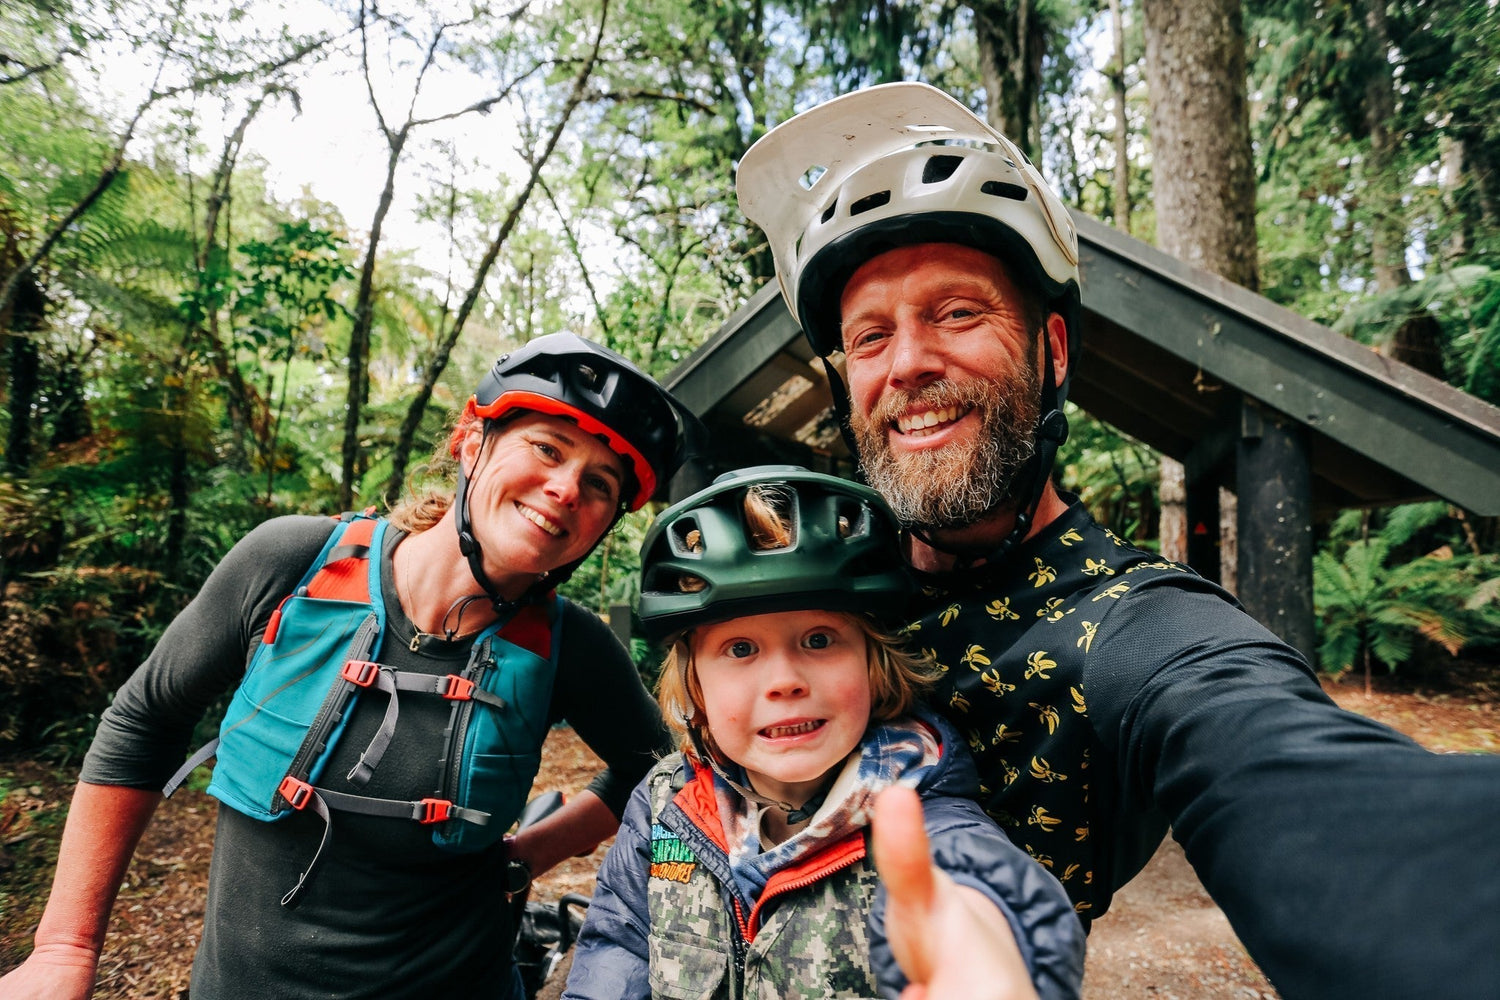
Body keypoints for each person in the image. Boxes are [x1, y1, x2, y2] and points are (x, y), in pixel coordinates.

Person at [734, 83, 1500, 999]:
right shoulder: (804, 588)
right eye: (869, 337)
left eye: (958, 312)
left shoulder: (1128, 624)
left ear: (1053, 351)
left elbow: (1275, 754)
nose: (907, 364)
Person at [0, 334, 696, 1000]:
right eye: (546, 448)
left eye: (599, 484)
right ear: (471, 442)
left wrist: (529, 855)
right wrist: (67, 947)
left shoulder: (570, 646)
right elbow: (145, 720)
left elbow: (662, 772)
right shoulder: (292, 564)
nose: (567, 489)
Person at [562, 466, 1084, 1000]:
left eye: (818, 639)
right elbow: (617, 947)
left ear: (873, 664)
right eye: (740, 649)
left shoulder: (922, 821)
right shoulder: (664, 803)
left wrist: (992, 940)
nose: (784, 680)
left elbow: (975, 889)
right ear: (695, 683)